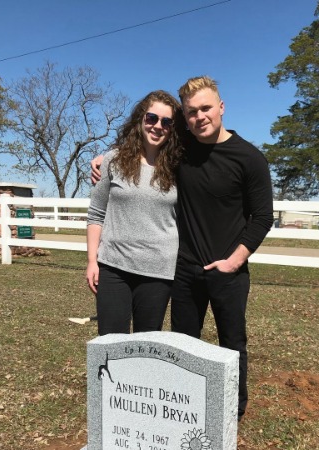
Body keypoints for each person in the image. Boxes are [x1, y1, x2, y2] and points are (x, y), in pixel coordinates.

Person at [91, 76, 274, 420]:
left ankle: (232, 411)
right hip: (183, 270)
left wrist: (234, 262)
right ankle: (184, 405)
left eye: (205, 108)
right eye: (191, 112)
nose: (199, 117)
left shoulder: (249, 158)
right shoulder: (182, 151)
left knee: (232, 343)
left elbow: (263, 216)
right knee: (183, 345)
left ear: (221, 108)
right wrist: (103, 160)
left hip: (228, 272)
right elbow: (143, 152)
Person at [86, 90, 184, 336]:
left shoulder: (179, 168)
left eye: (166, 122)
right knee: (109, 344)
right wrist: (91, 261)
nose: (157, 126)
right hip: (113, 267)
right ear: (141, 119)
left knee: (145, 351)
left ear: (173, 128)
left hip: (158, 272)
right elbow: (96, 214)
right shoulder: (113, 160)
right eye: (151, 118)